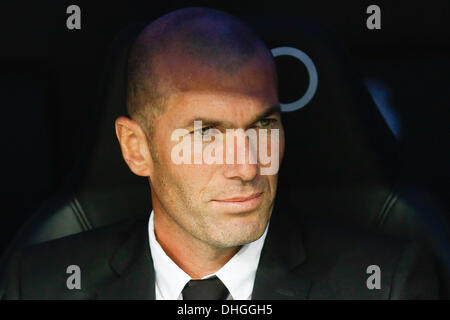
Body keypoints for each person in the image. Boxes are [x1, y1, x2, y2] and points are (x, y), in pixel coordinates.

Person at [3, 7, 439, 299]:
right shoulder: (39, 286)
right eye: (207, 133)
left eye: (264, 125)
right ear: (136, 149)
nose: (249, 166)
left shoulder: (386, 286)